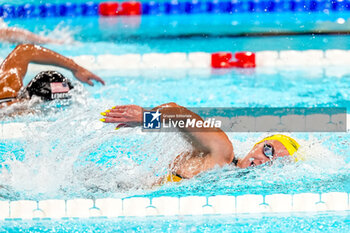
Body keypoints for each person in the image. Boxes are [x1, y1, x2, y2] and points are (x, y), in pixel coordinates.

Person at [100, 103, 300, 183]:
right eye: (268, 150)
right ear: (258, 144)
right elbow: (177, 112)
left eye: (275, 162)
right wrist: (146, 118)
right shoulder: (222, 152)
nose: (265, 160)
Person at [0, 44, 104, 108]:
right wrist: (76, 68)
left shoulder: (9, 82)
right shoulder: (8, 107)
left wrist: (76, 68)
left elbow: (24, 51)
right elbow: (24, 51)